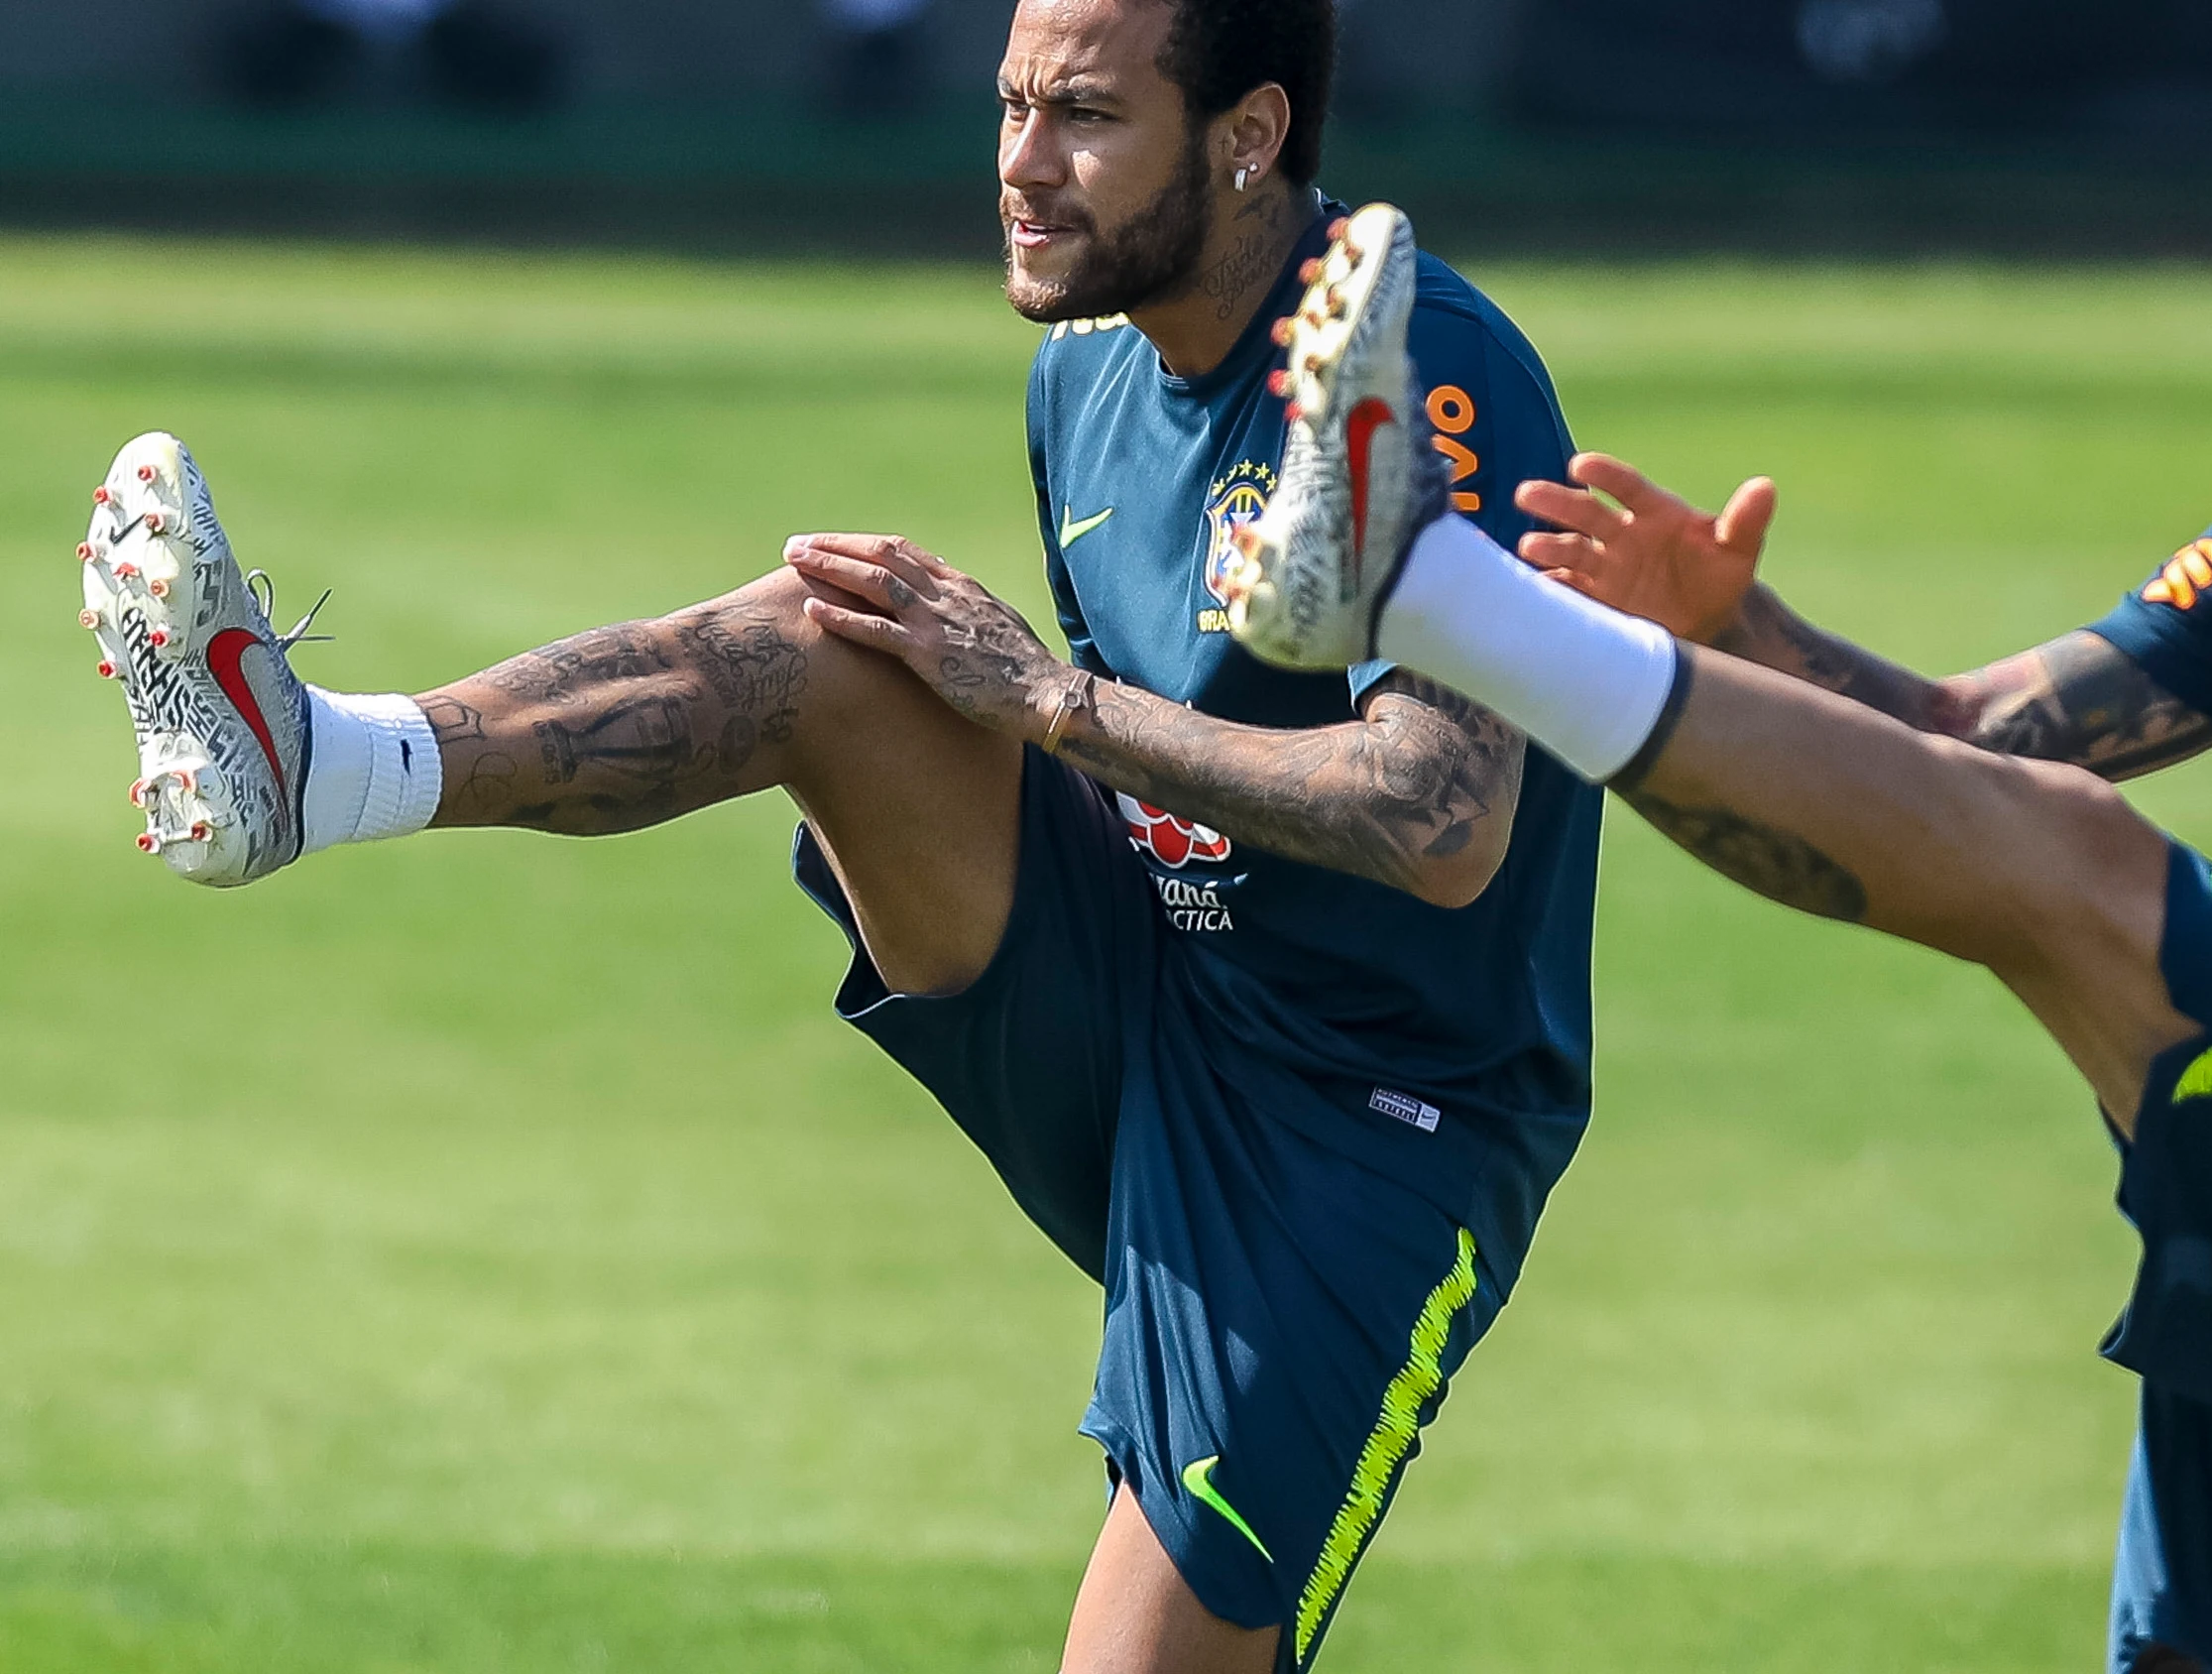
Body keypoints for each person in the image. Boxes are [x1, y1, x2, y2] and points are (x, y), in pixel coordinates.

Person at [1216, 51, 2212, 1674]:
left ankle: (1421, 593)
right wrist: (1740, 631)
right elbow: (1969, 745)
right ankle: (1439, 600)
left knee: (2077, 879)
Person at [75, 2, 1593, 1670]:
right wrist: (1000, 737)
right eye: (1010, 107)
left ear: (1249, 135)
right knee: (829, 652)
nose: (1020, 167)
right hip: (1157, 987)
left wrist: (1048, 706)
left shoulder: (1408, 363)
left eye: (1084, 116)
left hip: (1369, 1119)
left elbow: (1447, 817)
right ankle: (315, 769)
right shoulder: (1082, 376)